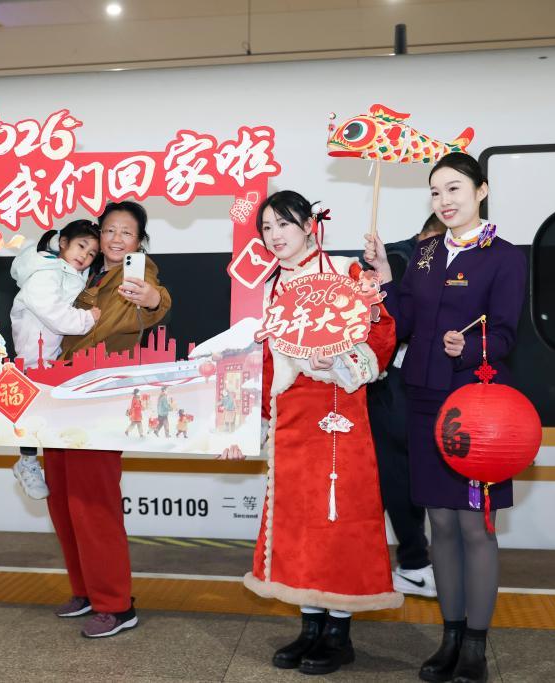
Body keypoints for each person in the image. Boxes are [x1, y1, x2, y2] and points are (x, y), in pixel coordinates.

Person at [220, 190, 402, 676]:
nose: (274, 235)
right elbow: (265, 359)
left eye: (283, 224)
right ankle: (310, 624)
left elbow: (382, 332)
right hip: (290, 414)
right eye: (266, 228)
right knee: (296, 518)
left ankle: (339, 633)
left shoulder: (346, 271)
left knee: (339, 516)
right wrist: (253, 421)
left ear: (309, 225)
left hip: (339, 407)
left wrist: (340, 358)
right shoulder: (271, 286)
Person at [364, 152, 527, 683]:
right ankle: (450, 636)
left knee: (475, 526)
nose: (444, 200)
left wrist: (470, 346)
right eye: (436, 192)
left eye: (454, 189)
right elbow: (406, 320)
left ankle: (475, 645)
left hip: (477, 406)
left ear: (481, 191)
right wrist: (385, 280)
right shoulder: (426, 253)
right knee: (439, 523)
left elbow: (506, 333)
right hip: (424, 399)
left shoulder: (505, 256)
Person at [48, 201, 171, 638]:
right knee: (63, 499)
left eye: (127, 233)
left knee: (93, 503)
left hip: (97, 396)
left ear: (139, 242)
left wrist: (154, 299)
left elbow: (155, 300)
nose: (117, 239)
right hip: (60, 393)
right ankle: (85, 590)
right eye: (109, 230)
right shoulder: (85, 272)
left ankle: (116, 605)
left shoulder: (138, 271)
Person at [365, 214, 446, 598]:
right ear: (427, 233)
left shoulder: (446, 260)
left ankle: (412, 562)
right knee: (398, 478)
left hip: (418, 385)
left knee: (406, 478)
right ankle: (413, 562)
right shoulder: (397, 259)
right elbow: (395, 324)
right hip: (389, 388)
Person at [10, 220, 102, 499]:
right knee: (31, 409)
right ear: (63, 243)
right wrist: (88, 318)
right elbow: (55, 314)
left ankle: (30, 460)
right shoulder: (45, 273)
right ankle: (26, 462)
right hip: (33, 355)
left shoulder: (65, 273)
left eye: (91, 253)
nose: (84, 256)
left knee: (43, 411)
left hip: (48, 355)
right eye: (81, 246)